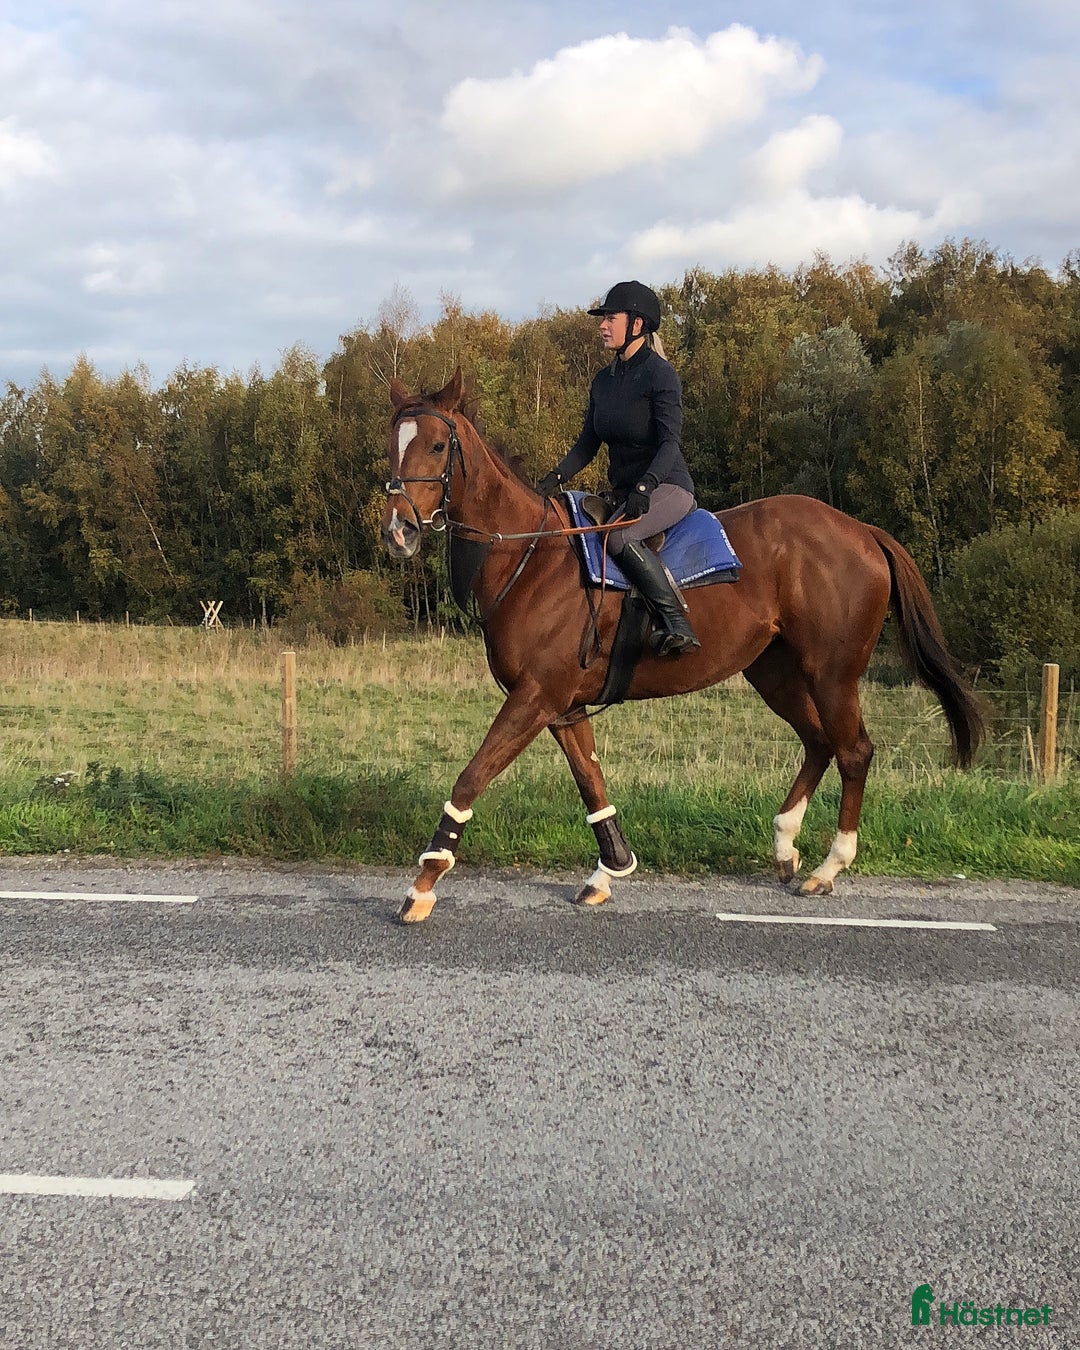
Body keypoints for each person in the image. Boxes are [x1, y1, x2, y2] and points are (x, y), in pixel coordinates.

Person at [537, 280, 700, 656]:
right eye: (603, 318)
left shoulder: (661, 376)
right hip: (627, 491)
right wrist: (554, 478)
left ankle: (677, 623)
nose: (602, 325)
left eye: (611, 318)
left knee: (620, 538)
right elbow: (587, 444)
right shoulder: (603, 381)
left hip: (667, 487)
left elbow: (670, 444)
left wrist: (645, 488)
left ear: (637, 325)